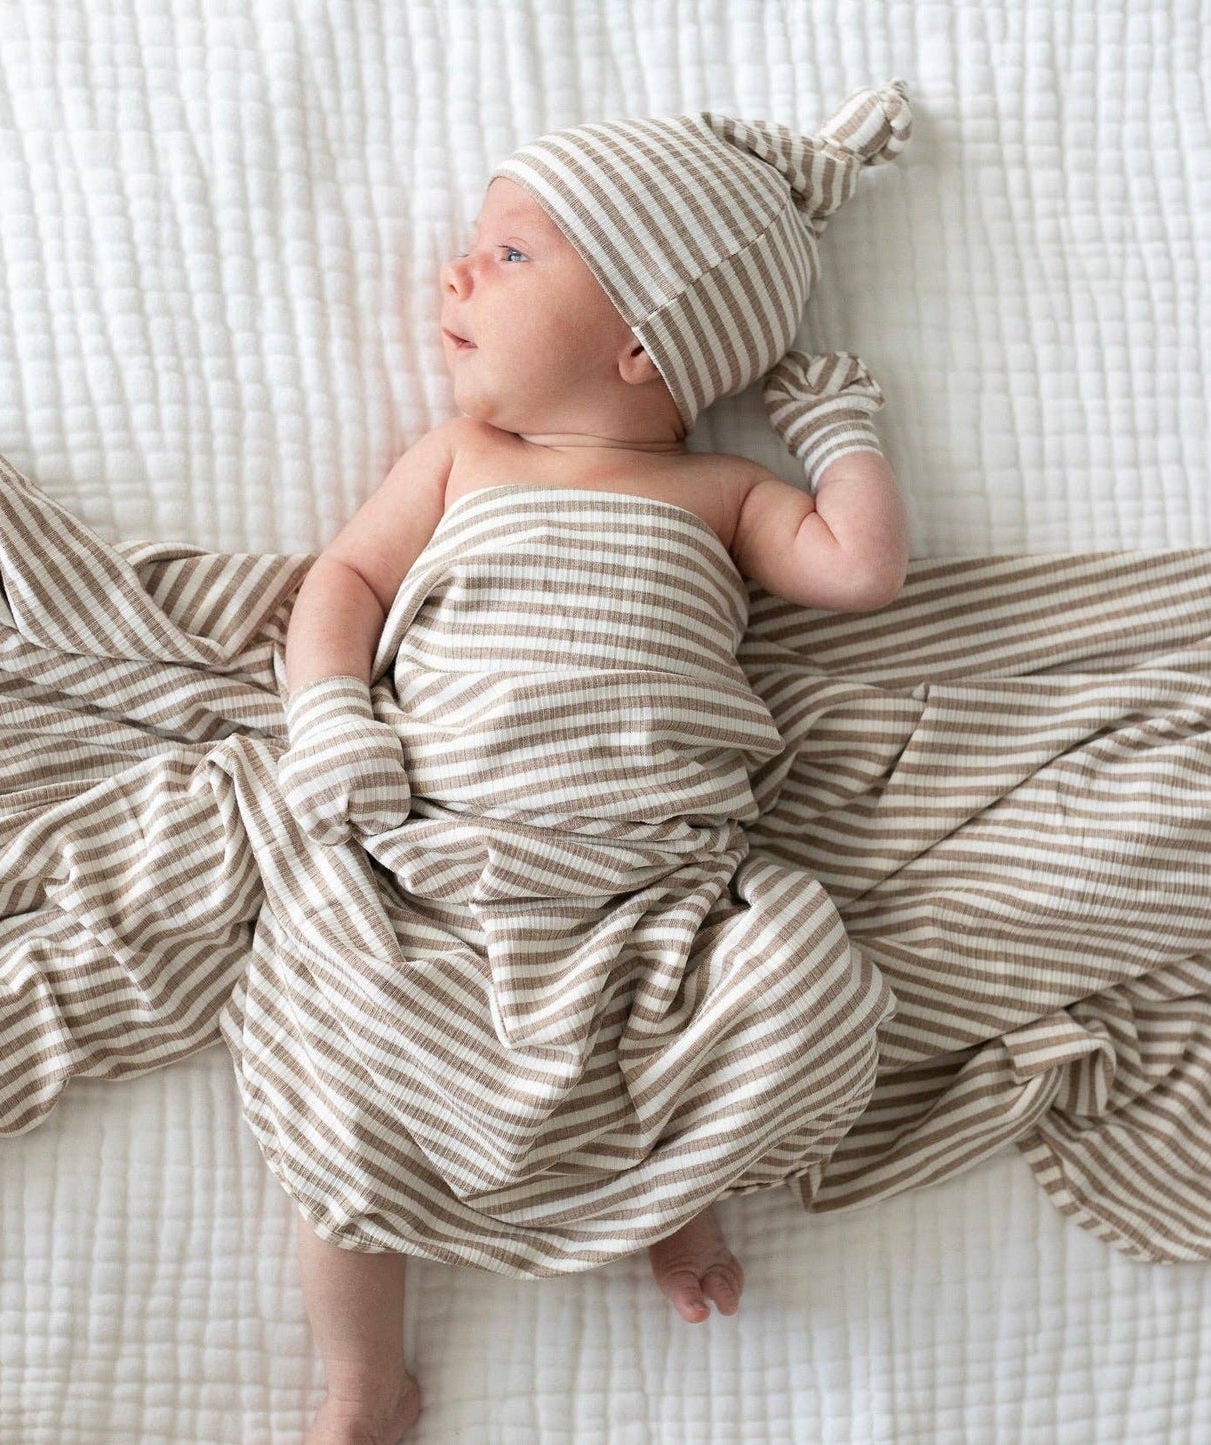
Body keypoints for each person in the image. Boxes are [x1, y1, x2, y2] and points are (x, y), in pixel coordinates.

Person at [280, 81, 914, 1445]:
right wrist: (332, 721)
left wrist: (839, 429)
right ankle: (360, 1377)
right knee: (342, 1094)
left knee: (766, 991)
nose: (457, 268)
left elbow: (860, 570)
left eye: (511, 253)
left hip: (654, 886)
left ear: (641, 345)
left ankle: (666, 1207)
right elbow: (340, 581)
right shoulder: (459, 459)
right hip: (435, 860)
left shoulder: (722, 494)